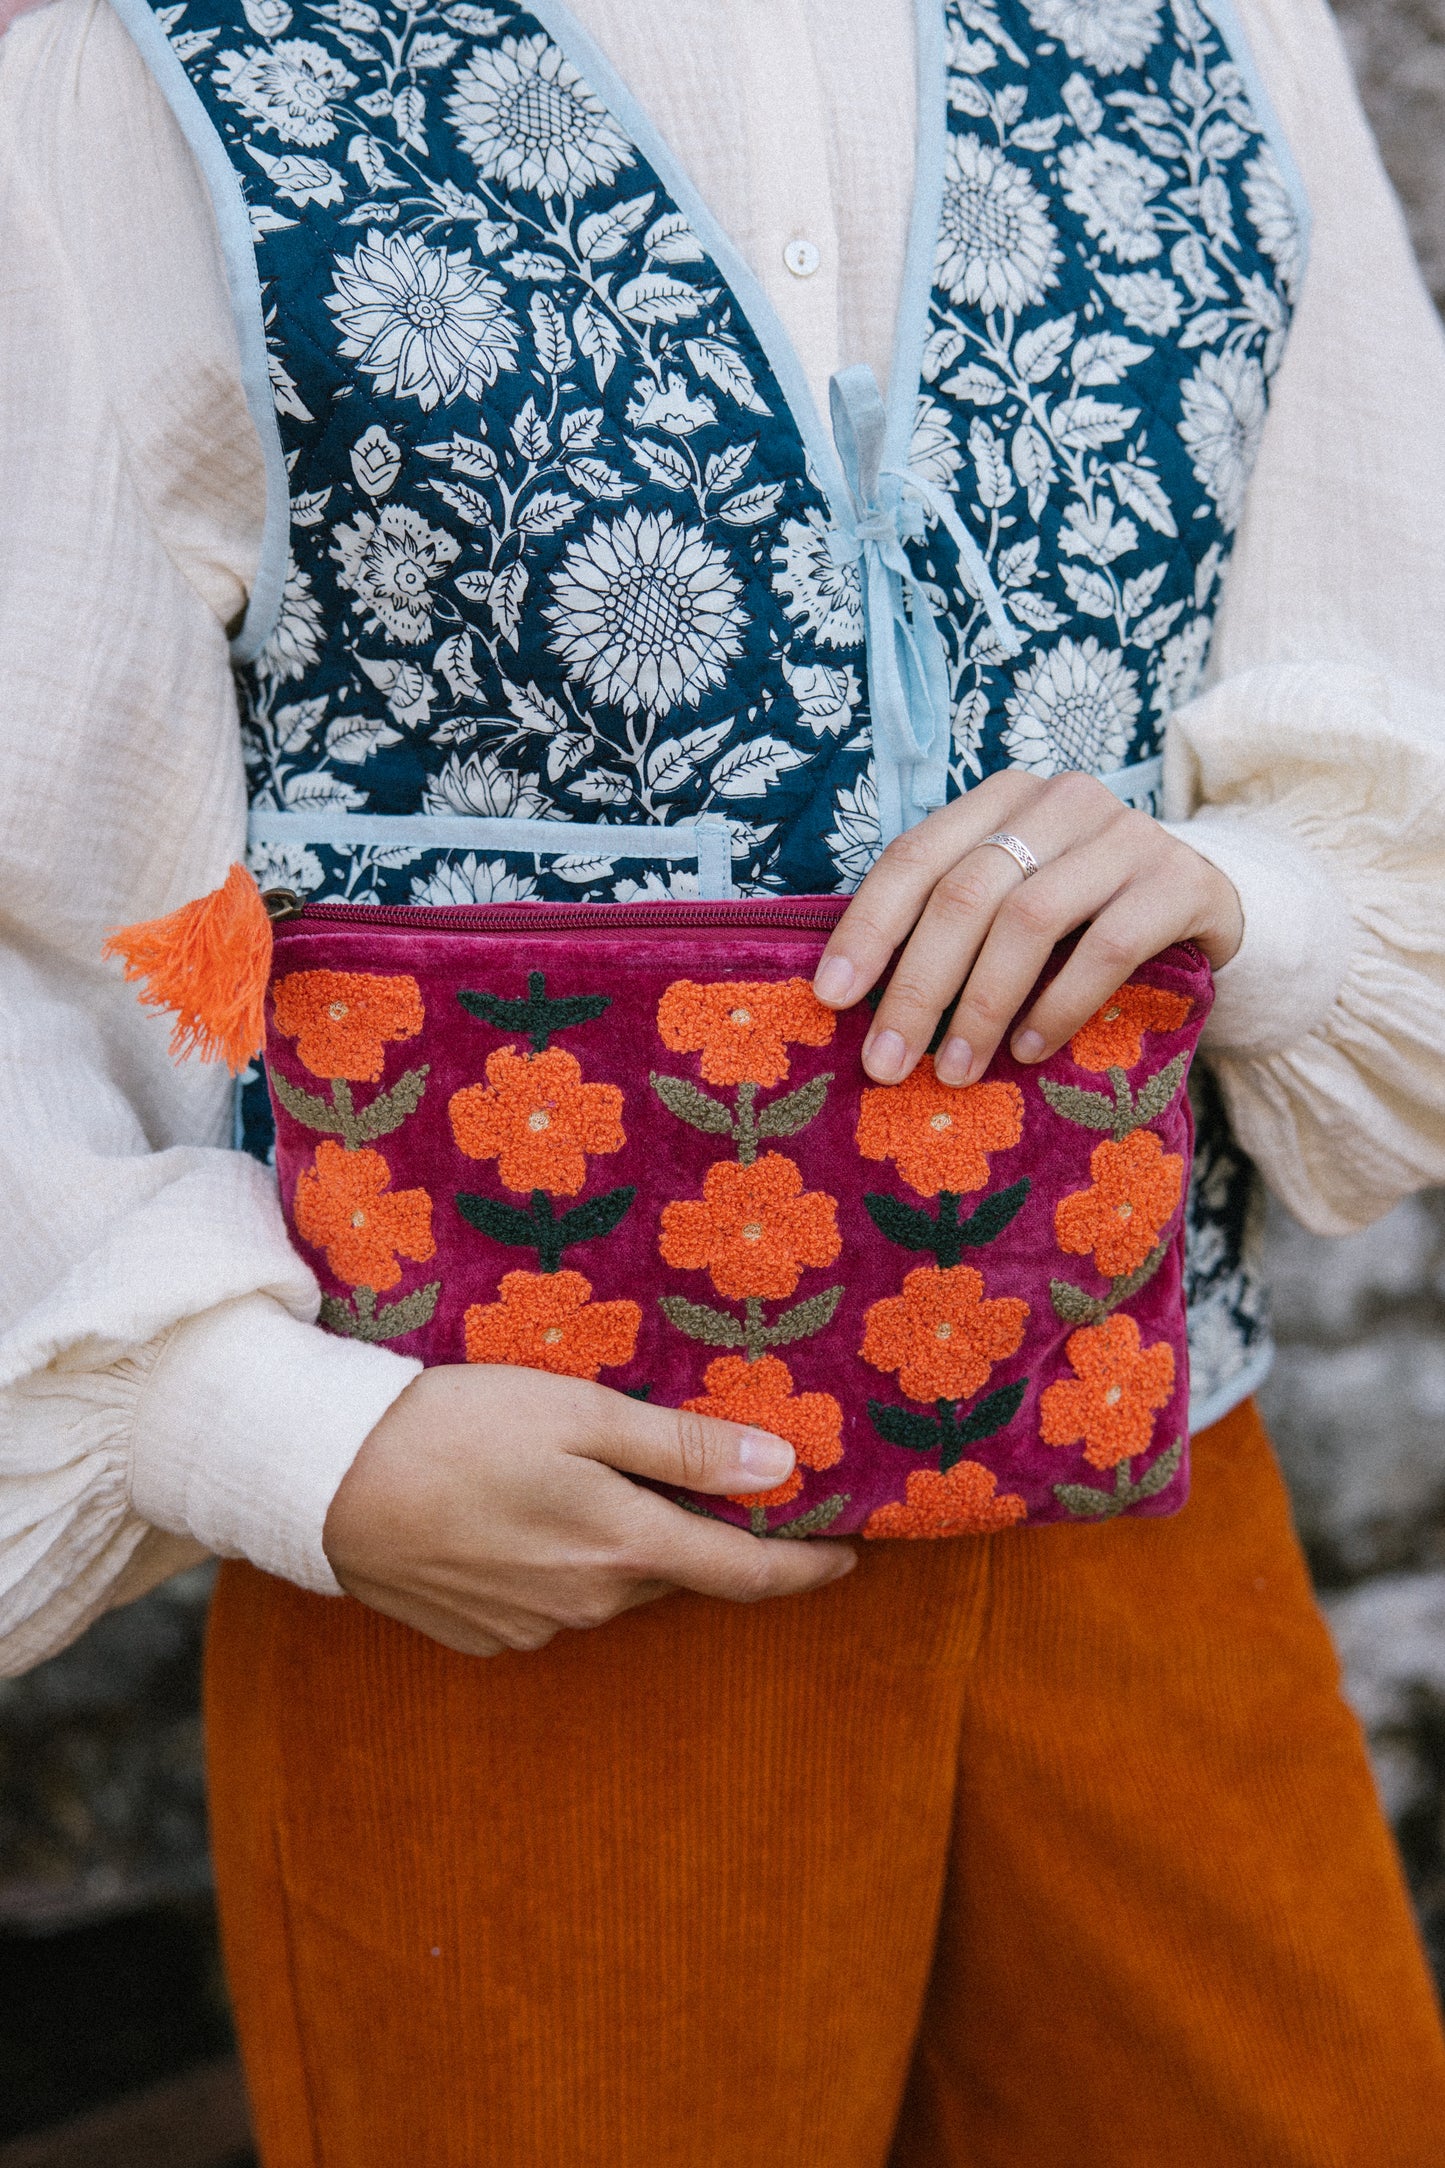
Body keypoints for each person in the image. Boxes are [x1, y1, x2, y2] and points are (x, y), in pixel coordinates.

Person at [2, 0, 1444, 2160]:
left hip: (1139, 1472)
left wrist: (1249, 892)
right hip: (513, 1556)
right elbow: (38, 851)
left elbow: (1385, 648)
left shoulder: (1209, 16)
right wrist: (259, 1430)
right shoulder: (128, 43)